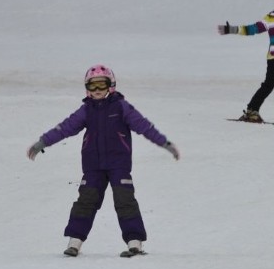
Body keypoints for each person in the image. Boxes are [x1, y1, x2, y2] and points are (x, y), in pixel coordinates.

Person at [26, 65, 180, 258]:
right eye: (92, 86)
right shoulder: (86, 110)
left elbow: (144, 126)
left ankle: (135, 243)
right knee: (86, 201)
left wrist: (165, 143)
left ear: (111, 85)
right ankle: (74, 242)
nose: (97, 90)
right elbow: (65, 127)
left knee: (125, 201)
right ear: (87, 89)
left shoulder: (121, 107)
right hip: (93, 166)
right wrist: (43, 142)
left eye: (102, 85)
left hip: (119, 165)